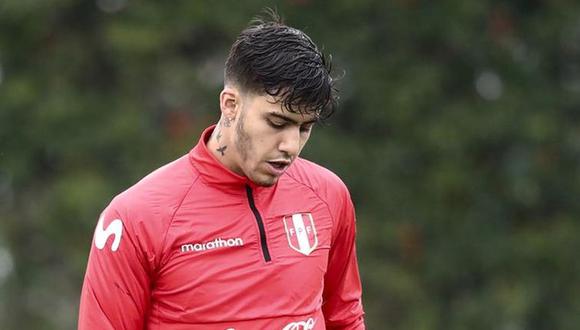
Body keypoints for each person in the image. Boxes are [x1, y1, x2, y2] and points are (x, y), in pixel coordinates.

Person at [78, 11, 365, 330]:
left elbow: (345, 317)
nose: (291, 145)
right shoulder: (135, 217)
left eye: (304, 128)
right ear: (230, 105)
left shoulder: (328, 195)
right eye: (277, 123)